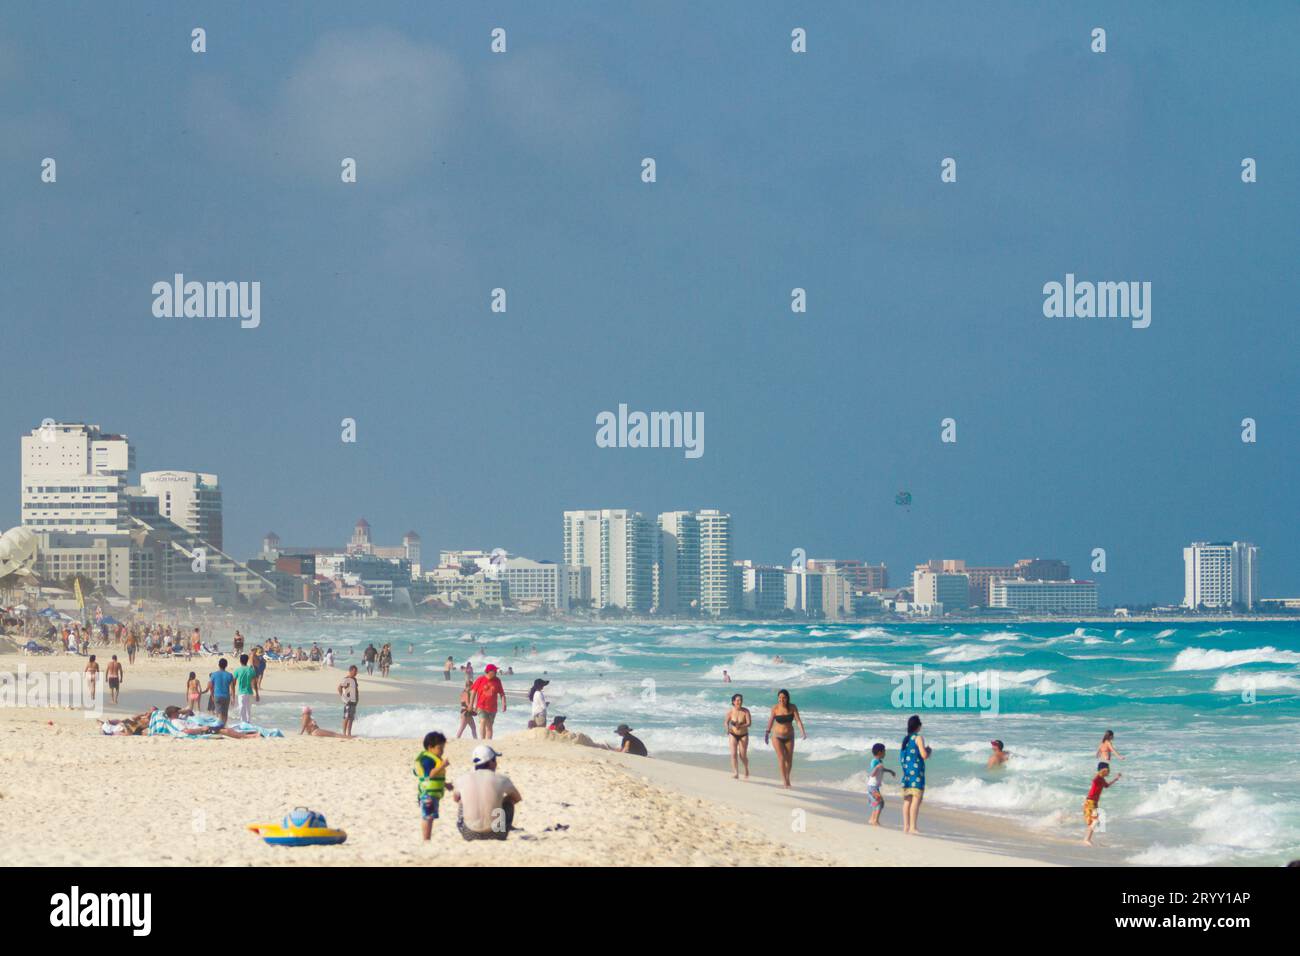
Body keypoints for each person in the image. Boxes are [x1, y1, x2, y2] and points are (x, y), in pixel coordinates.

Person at [453, 744, 522, 841]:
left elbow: (456, 798)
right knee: (509, 801)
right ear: (491, 762)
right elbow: (517, 798)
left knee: (462, 801)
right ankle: (502, 828)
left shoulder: (462, 779)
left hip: (469, 834)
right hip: (497, 834)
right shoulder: (502, 779)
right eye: (495, 760)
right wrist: (500, 801)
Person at [764, 689, 806, 788]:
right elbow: (770, 721)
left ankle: (787, 777)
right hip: (776, 736)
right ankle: (784, 781)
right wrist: (767, 733)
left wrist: (803, 732)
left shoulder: (792, 707)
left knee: (789, 759)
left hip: (789, 736)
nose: (781, 700)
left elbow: (798, 721)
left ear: (787, 698)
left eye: (783, 698)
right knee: (782, 758)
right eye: (779, 698)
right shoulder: (775, 708)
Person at [413, 731, 449, 840]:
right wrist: (442, 766)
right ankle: (426, 838)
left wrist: (446, 785)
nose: (442, 751)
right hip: (427, 794)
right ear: (430, 747)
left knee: (431, 817)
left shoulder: (433, 759)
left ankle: (427, 837)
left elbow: (436, 777)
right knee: (427, 817)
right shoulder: (427, 760)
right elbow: (430, 775)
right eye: (439, 748)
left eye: (443, 748)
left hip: (432, 793)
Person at [900, 715, 930, 834]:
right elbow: (924, 755)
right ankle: (913, 827)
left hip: (907, 773)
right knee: (916, 800)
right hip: (917, 774)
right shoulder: (918, 738)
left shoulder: (906, 739)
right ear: (918, 726)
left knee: (907, 801)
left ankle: (906, 826)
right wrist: (928, 751)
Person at [1083, 762, 1123, 845]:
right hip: (1090, 802)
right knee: (1095, 820)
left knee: (1093, 821)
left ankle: (1086, 839)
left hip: (1094, 803)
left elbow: (1107, 786)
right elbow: (1094, 780)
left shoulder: (1102, 779)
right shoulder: (1097, 778)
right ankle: (1086, 839)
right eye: (1108, 770)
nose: (1109, 772)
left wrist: (1116, 779)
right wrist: (1100, 773)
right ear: (1104, 770)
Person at [470, 664, 506, 739]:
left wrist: (504, 704)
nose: (496, 672)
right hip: (481, 706)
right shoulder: (480, 679)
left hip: (493, 708)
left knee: (489, 726)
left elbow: (502, 694)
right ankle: (482, 740)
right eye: (494, 671)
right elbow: (473, 692)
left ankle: (488, 741)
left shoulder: (497, 680)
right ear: (489, 671)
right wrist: (471, 704)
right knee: (483, 721)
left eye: (496, 671)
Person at [867, 743, 896, 825]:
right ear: (880, 752)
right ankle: (875, 820)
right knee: (880, 802)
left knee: (877, 802)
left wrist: (890, 771)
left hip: (874, 787)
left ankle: (872, 819)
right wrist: (877, 767)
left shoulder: (879, 761)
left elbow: (882, 769)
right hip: (872, 787)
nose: (885, 753)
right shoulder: (874, 761)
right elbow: (872, 774)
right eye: (884, 751)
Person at [725, 694, 751, 779]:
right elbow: (726, 722)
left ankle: (746, 769)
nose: (740, 702)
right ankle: (736, 773)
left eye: (741, 700)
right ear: (733, 702)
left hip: (743, 735)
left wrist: (741, 726)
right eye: (738, 700)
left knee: (742, 755)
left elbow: (749, 723)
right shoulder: (730, 712)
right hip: (733, 734)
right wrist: (728, 729)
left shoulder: (746, 711)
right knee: (733, 754)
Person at [233, 654, 258, 724]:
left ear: (240, 661)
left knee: (242, 708)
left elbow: (233, 683)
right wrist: (257, 694)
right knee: (248, 709)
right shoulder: (251, 670)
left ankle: (243, 723)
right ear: (247, 661)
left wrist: (232, 692)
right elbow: (254, 683)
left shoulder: (237, 670)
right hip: (250, 692)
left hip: (241, 692)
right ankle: (248, 722)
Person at [338, 665, 360, 737]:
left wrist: (357, 699)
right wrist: (343, 697)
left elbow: (356, 690)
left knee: (351, 718)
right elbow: (339, 687)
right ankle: (344, 733)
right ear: (350, 671)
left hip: (354, 701)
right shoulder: (346, 679)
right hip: (348, 701)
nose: (356, 673)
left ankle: (349, 733)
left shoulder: (354, 679)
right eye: (354, 671)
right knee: (346, 717)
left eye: (356, 671)